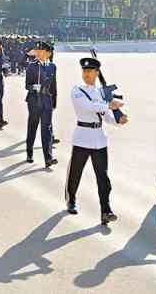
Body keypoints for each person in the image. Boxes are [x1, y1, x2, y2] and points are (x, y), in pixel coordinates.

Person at [65, 57, 128, 225]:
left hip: (99, 139)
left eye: (90, 71)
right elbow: (87, 107)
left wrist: (118, 120)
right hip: (82, 137)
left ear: (96, 73)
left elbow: (106, 117)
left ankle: (105, 211)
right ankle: (71, 199)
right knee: (75, 173)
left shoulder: (101, 93)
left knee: (103, 177)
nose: (86, 74)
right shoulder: (77, 90)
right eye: (84, 71)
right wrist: (109, 105)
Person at [25, 40, 58, 168]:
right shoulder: (32, 66)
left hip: (47, 101)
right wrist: (34, 87)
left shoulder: (52, 67)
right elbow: (27, 85)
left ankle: (48, 158)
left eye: (41, 51)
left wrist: (54, 101)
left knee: (47, 129)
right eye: (37, 51)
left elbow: (54, 86)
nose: (38, 53)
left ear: (48, 54)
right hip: (34, 100)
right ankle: (29, 152)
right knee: (32, 127)